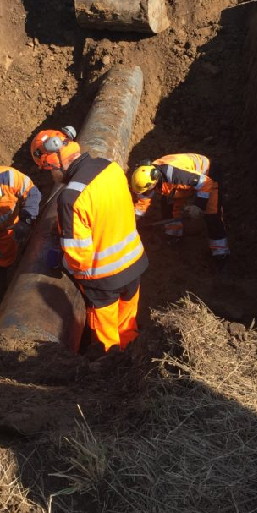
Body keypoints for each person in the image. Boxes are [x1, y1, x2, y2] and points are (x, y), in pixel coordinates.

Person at [31, 126, 148, 354]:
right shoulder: (110, 167)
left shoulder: (71, 198)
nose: (50, 174)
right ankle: (135, 358)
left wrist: (60, 260)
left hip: (104, 282)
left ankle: (113, 370)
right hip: (134, 265)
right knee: (127, 325)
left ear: (54, 162)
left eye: (47, 168)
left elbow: (79, 259)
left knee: (107, 342)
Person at [130, 153, 229, 258]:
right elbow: (143, 201)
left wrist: (198, 206)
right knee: (168, 203)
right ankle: (174, 235)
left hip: (208, 175)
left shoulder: (175, 175)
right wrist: (133, 221)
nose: (146, 193)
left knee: (212, 215)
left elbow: (205, 183)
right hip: (187, 181)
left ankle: (221, 253)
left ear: (154, 183)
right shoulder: (145, 176)